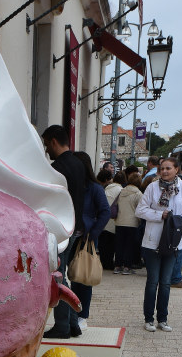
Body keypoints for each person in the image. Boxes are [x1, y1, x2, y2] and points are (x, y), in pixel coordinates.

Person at [136, 157, 182, 332]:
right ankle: (148, 319)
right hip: (153, 241)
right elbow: (140, 209)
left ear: (177, 169)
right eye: (162, 168)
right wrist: (159, 215)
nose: (164, 171)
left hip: (172, 241)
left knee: (166, 282)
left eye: (168, 168)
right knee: (153, 281)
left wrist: (177, 224)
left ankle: (163, 318)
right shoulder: (152, 187)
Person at [42, 125, 87, 338]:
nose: (46, 150)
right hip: (76, 226)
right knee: (63, 275)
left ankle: (62, 325)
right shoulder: (78, 163)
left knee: (57, 277)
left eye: (46, 145)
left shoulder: (57, 167)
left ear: (53, 141)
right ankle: (71, 324)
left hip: (61, 229)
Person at [67, 150, 111, 330]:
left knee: (83, 277)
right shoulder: (69, 185)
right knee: (69, 277)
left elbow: (105, 211)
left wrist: (93, 233)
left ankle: (82, 315)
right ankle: (70, 314)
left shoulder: (94, 188)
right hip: (68, 236)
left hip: (85, 238)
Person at [114, 171, 143, 273]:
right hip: (132, 223)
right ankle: (127, 266)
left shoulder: (121, 192)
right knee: (129, 246)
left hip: (119, 221)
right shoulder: (138, 194)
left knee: (119, 245)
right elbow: (141, 209)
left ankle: (117, 265)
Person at [98, 168, 122, 271]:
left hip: (102, 221)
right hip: (113, 221)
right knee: (111, 245)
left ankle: (103, 262)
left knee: (103, 244)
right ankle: (108, 263)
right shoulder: (120, 190)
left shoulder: (105, 189)